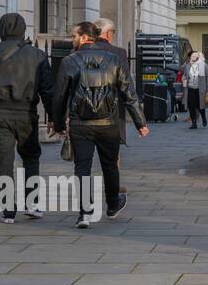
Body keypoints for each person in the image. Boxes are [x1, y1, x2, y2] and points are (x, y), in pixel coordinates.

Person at [51, 21, 148, 228]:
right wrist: (140, 123)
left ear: (85, 37)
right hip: (108, 123)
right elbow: (129, 94)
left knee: (82, 167)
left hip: (80, 124)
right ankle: (113, 205)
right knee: (110, 166)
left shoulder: (69, 61)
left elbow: (59, 96)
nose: (72, 40)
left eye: (74, 36)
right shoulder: (114, 59)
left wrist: (58, 124)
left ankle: (85, 213)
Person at [0, 13, 53, 222]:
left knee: (3, 162)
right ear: (22, 30)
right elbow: (47, 90)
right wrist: (54, 118)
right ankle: (32, 203)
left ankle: (8, 209)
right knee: (31, 158)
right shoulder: (37, 55)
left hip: (0, 114)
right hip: (26, 113)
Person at [92, 18, 131, 193]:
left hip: (86, 108)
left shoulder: (81, 51)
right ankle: (113, 184)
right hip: (113, 109)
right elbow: (126, 85)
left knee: (85, 153)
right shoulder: (119, 53)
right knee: (113, 151)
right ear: (108, 33)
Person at [184, 51, 208, 128]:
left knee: (200, 106)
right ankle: (194, 123)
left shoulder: (204, 65)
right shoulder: (187, 65)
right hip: (190, 88)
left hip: (200, 89)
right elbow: (184, 75)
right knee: (191, 106)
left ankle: (203, 118)